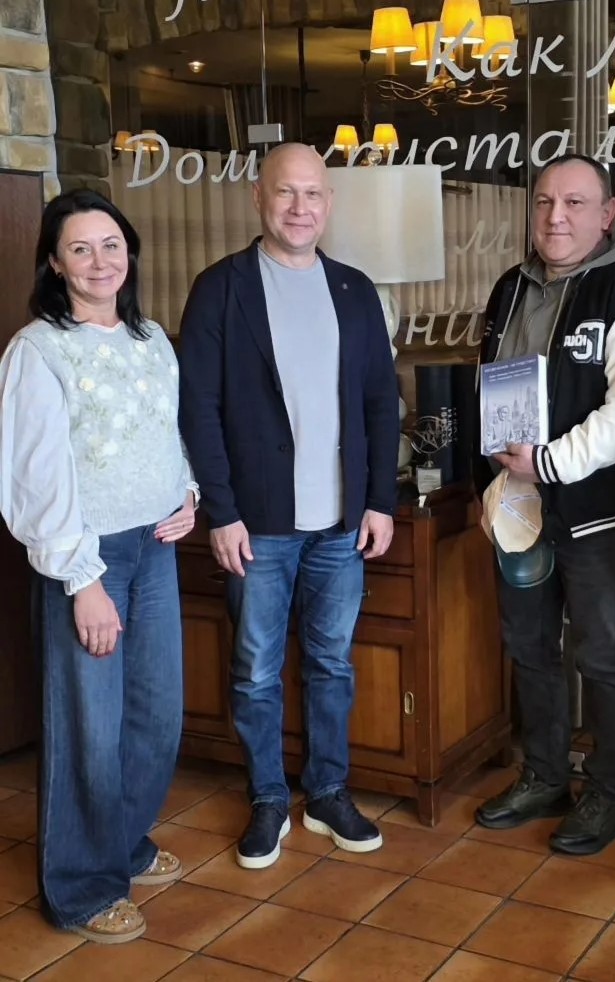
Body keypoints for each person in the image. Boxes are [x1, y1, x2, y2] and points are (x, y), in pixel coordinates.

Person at [178, 143, 400, 869]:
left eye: (312, 194)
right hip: (257, 525)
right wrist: (222, 511)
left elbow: (380, 402)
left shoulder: (355, 290)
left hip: (341, 525)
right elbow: (198, 410)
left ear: (328, 204)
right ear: (258, 198)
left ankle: (328, 793)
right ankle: (269, 799)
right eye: (285, 192)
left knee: (332, 665)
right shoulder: (221, 289)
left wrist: (380, 501)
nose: (299, 208)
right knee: (254, 671)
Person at [0, 189, 198, 943]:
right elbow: (34, 477)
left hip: (155, 548)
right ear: (54, 263)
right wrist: (80, 580)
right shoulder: (38, 351)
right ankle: (82, 888)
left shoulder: (150, 339)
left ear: (129, 253)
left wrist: (187, 493)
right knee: (89, 726)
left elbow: (165, 432)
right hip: (88, 557)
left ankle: (122, 842)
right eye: (79, 249)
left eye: (110, 245)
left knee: (156, 715)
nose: (99, 261)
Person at [473, 153, 615, 855]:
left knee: (601, 655)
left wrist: (550, 462)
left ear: (608, 213)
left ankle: (607, 797)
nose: (555, 217)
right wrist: (491, 479)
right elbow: (493, 387)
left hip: (595, 513)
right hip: (518, 510)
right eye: (543, 202)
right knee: (530, 649)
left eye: (574, 203)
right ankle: (545, 776)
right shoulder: (509, 288)